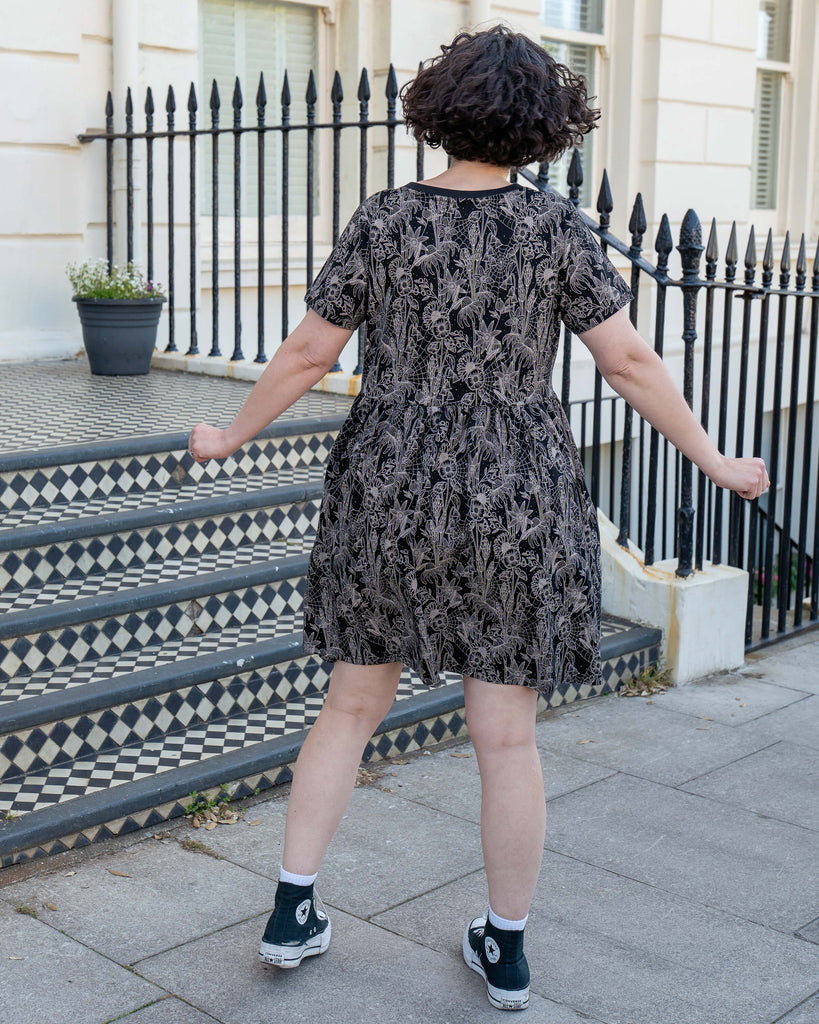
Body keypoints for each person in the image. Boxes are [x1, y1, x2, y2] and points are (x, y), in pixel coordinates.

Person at [188, 24, 770, 1013]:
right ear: (545, 122)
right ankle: (504, 948)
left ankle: (292, 910)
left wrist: (230, 435)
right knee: (506, 734)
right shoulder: (552, 230)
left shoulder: (383, 219)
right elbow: (627, 362)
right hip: (515, 484)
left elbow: (304, 354)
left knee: (349, 704)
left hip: (390, 479)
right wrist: (714, 458)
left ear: (438, 108)